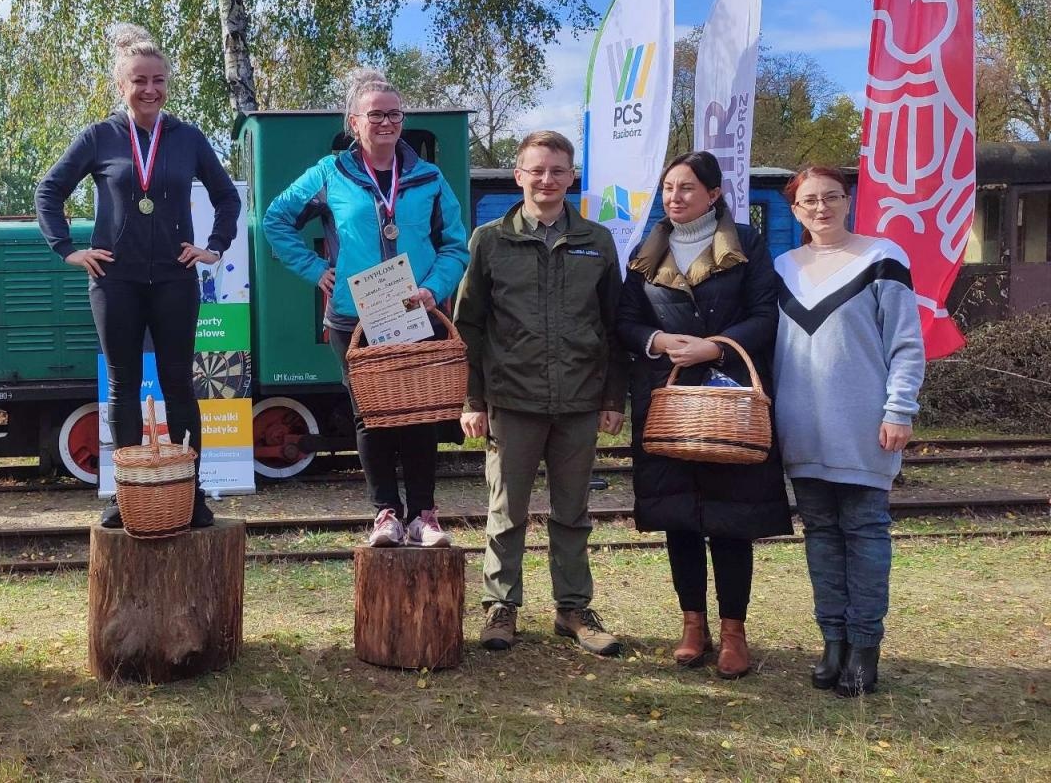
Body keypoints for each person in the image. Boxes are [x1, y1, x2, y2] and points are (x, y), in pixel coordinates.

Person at [35, 24, 241, 528]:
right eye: (138, 81)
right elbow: (49, 191)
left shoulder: (187, 137)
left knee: (178, 385)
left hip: (174, 278)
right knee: (123, 387)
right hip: (115, 280)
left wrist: (214, 247)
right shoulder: (99, 136)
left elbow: (227, 196)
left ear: (167, 83)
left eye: (158, 80)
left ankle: (191, 495)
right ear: (120, 85)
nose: (149, 89)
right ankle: (126, 495)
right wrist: (67, 249)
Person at [264, 67, 470, 547]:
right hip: (353, 317)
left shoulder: (428, 177)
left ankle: (423, 515)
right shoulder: (329, 173)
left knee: (419, 411)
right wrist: (316, 270)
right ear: (353, 122)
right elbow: (276, 220)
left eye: (394, 113)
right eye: (375, 114)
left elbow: (455, 246)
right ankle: (385, 515)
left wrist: (432, 287)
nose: (387, 122)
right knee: (370, 414)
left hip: (414, 309)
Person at [616, 151, 792, 679]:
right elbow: (624, 320)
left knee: (730, 518)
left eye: (687, 188)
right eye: (669, 187)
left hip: (729, 398)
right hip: (668, 400)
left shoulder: (747, 243)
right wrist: (657, 339)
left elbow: (767, 316)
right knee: (679, 516)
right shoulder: (647, 251)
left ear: (714, 194)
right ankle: (693, 624)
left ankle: (734, 631)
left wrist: (714, 347)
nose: (675, 197)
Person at [453, 130, 627, 656]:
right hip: (513, 400)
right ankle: (500, 607)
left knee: (572, 512)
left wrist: (613, 398)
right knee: (507, 511)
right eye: (537, 170)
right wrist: (472, 400)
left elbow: (614, 325)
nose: (547, 180)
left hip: (578, 400)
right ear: (519, 176)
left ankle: (572, 609)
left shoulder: (596, 242)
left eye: (557, 171)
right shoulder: (489, 240)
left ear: (571, 177)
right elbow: (470, 326)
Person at [774, 166, 924, 697]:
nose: (821, 208)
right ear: (795, 210)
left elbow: (905, 343)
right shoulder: (783, 267)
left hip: (865, 425)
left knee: (864, 532)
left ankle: (865, 647)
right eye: (809, 200)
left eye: (831, 197)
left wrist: (899, 409)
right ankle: (831, 641)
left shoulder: (883, 258)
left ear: (847, 200)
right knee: (819, 535)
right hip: (800, 427)